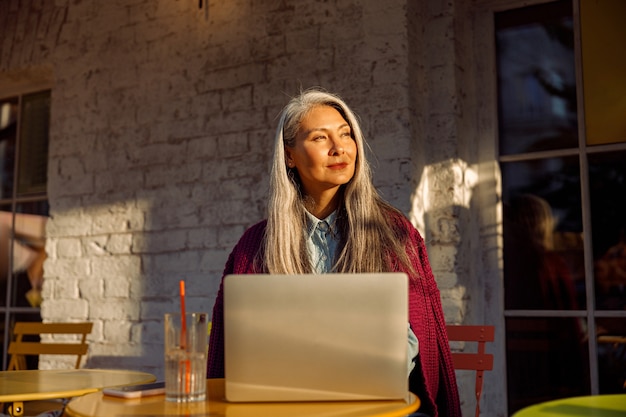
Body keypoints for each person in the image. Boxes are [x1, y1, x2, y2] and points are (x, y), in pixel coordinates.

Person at [207, 88, 461, 417]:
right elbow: (238, 349)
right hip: (286, 405)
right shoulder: (256, 244)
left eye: (345, 134)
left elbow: (414, 338)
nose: (339, 148)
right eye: (319, 138)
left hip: (378, 404)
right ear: (289, 156)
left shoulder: (393, 232)